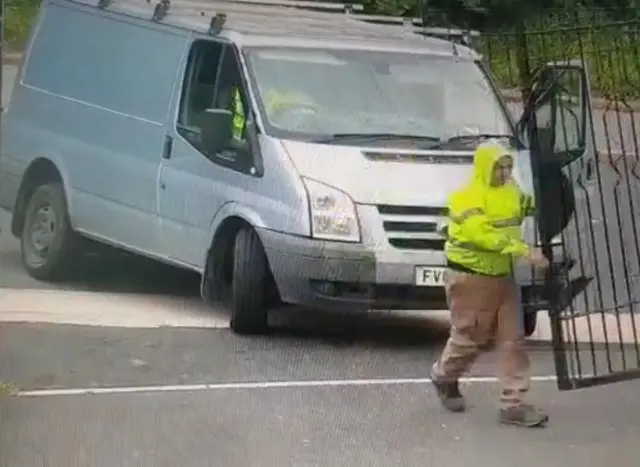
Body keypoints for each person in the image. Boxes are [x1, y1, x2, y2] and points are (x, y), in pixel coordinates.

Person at [430, 140, 550, 428]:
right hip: (471, 277)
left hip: (503, 277)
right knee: (470, 339)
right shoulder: (467, 197)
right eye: (500, 168)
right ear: (485, 167)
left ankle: (514, 404)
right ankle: (444, 375)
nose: (506, 173)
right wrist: (524, 252)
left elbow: (526, 207)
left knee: (513, 341)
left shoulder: (511, 191)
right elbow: (482, 234)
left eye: (509, 167)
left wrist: (549, 195)